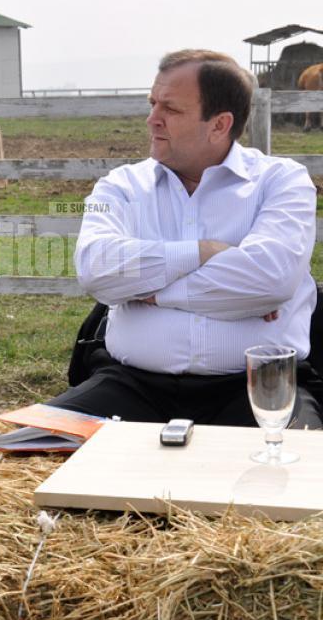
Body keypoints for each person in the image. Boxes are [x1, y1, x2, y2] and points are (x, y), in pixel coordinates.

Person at [51, 49, 321, 427]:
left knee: (297, 474)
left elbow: (269, 277)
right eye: (152, 103)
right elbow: (96, 268)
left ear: (219, 124)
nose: (152, 120)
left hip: (258, 390)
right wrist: (204, 252)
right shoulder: (121, 186)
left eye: (171, 110)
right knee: (25, 449)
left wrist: (152, 293)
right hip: (130, 386)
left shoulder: (281, 181)